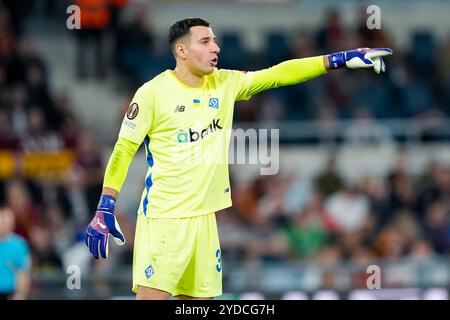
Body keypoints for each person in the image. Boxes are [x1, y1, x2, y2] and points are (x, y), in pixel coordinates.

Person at [85, 17, 393, 300]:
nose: (215, 48)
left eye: (215, 41)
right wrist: (105, 204)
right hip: (166, 218)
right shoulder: (152, 93)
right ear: (181, 50)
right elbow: (123, 149)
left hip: (205, 219)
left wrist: (339, 59)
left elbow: (278, 75)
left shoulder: (225, 83)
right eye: (205, 42)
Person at [0, 206, 31, 300]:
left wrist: (19, 296)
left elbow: (23, 273)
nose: (6, 224)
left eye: (9, 220)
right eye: (3, 220)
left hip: (10, 293)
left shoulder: (20, 245)